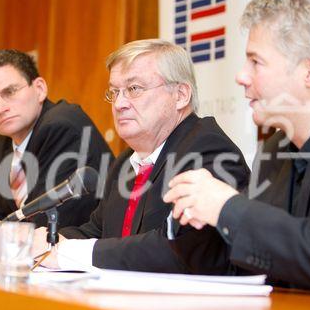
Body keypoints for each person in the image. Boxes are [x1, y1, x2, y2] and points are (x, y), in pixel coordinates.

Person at [164, 0, 310, 293]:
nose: (241, 76)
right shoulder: (274, 154)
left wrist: (228, 208)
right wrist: (198, 218)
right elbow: (247, 268)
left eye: (256, 62)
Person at [31, 39, 250, 272]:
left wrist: (67, 253)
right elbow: (97, 232)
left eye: (134, 89)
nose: (119, 104)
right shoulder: (126, 162)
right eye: (115, 92)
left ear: (180, 95)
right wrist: (44, 242)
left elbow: (177, 248)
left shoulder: (207, 149)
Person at [0, 49, 113, 227]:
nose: (1, 108)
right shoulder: (2, 143)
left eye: (10, 92)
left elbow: (51, 221)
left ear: (40, 89)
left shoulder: (63, 125)